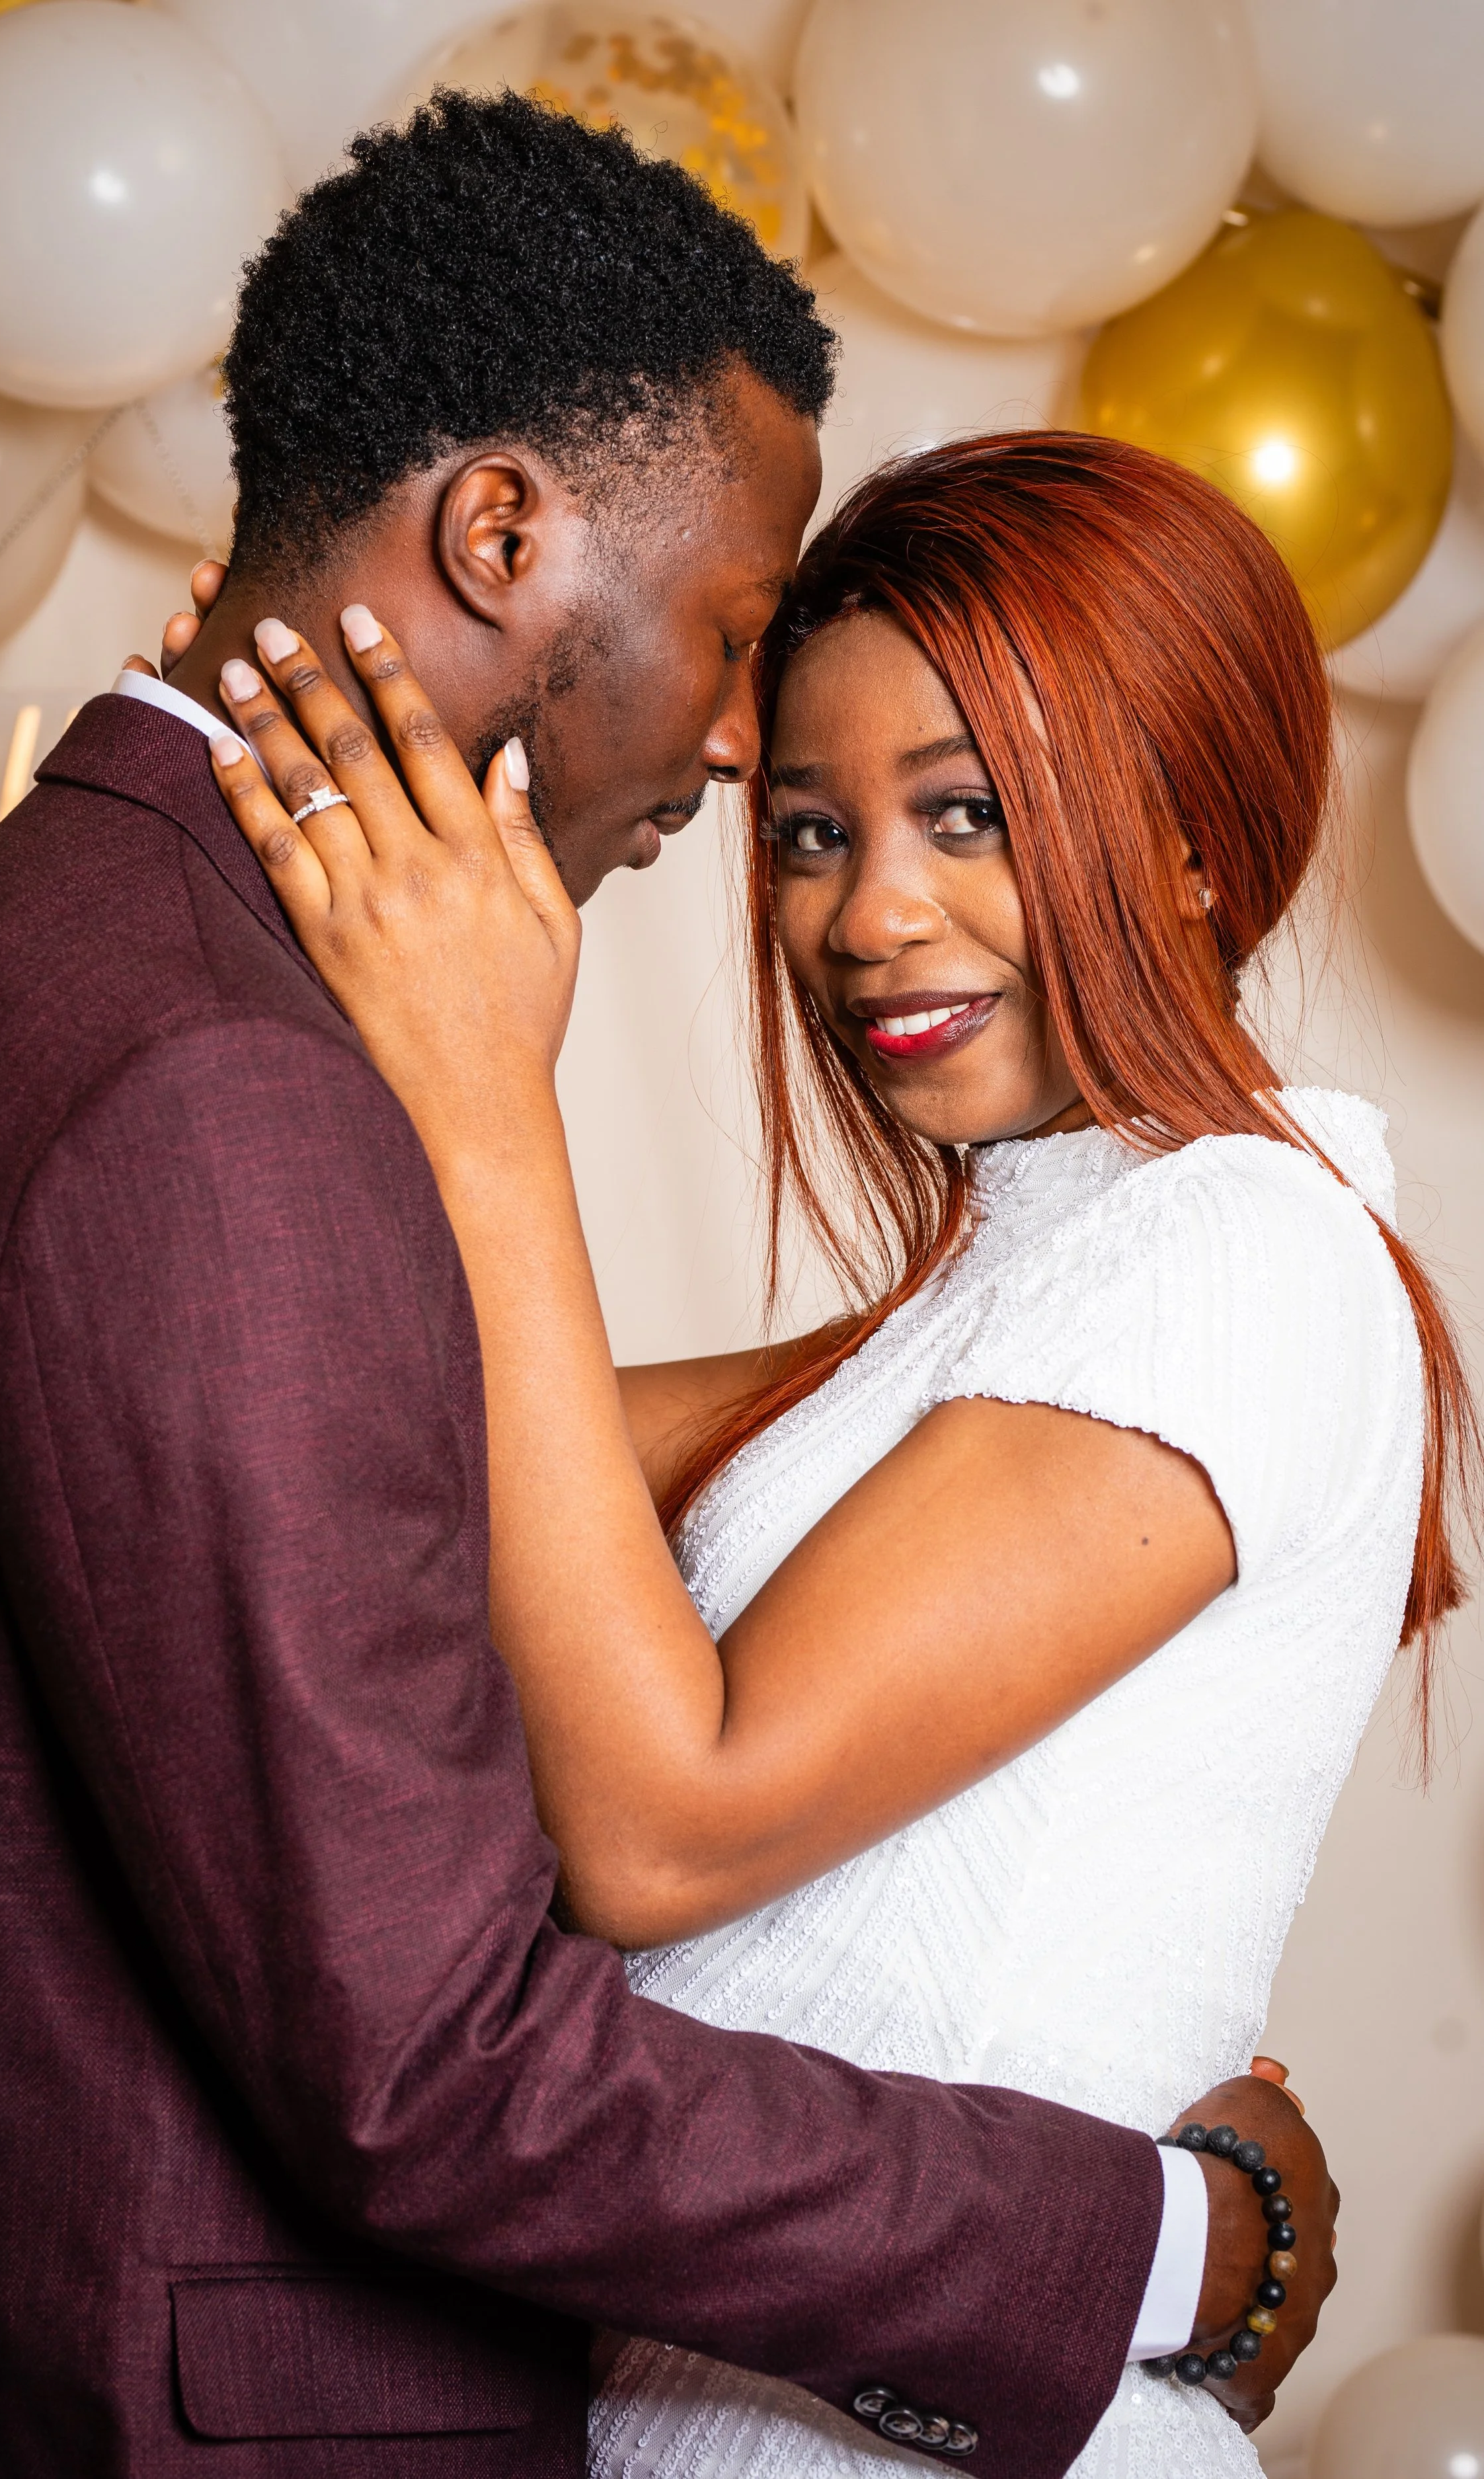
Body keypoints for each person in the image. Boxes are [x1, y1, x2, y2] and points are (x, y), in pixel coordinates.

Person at [0, 98, 1329, 2479]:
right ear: (504, 531)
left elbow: (380, 1550)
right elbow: (433, 2068)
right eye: (738, 637)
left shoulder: (83, 942)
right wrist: (1148, 2239)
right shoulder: (213, 1075)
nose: (743, 752)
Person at [192, 421, 1479, 2478]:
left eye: (963, 815)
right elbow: (428, 1433)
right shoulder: (1003, 1294)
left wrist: (488, 1099)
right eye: (806, 831)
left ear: (1187, 840)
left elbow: (661, 1826)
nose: (872, 912)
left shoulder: (1239, 1248)